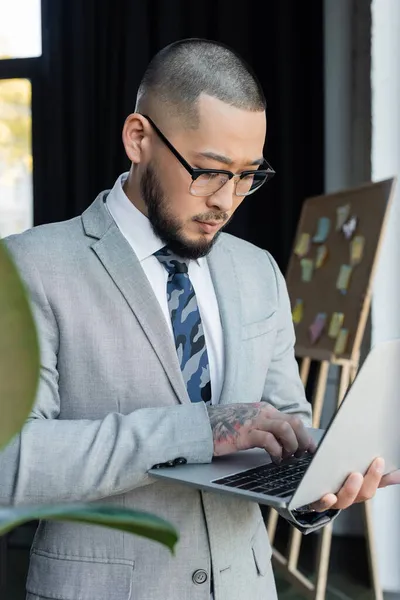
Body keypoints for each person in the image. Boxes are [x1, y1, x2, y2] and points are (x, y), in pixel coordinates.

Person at [0, 38, 397, 600]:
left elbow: (281, 420)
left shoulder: (259, 270)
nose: (227, 201)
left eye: (247, 176)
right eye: (209, 172)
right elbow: (11, 461)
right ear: (138, 138)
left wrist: (315, 488)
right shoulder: (29, 266)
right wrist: (199, 429)